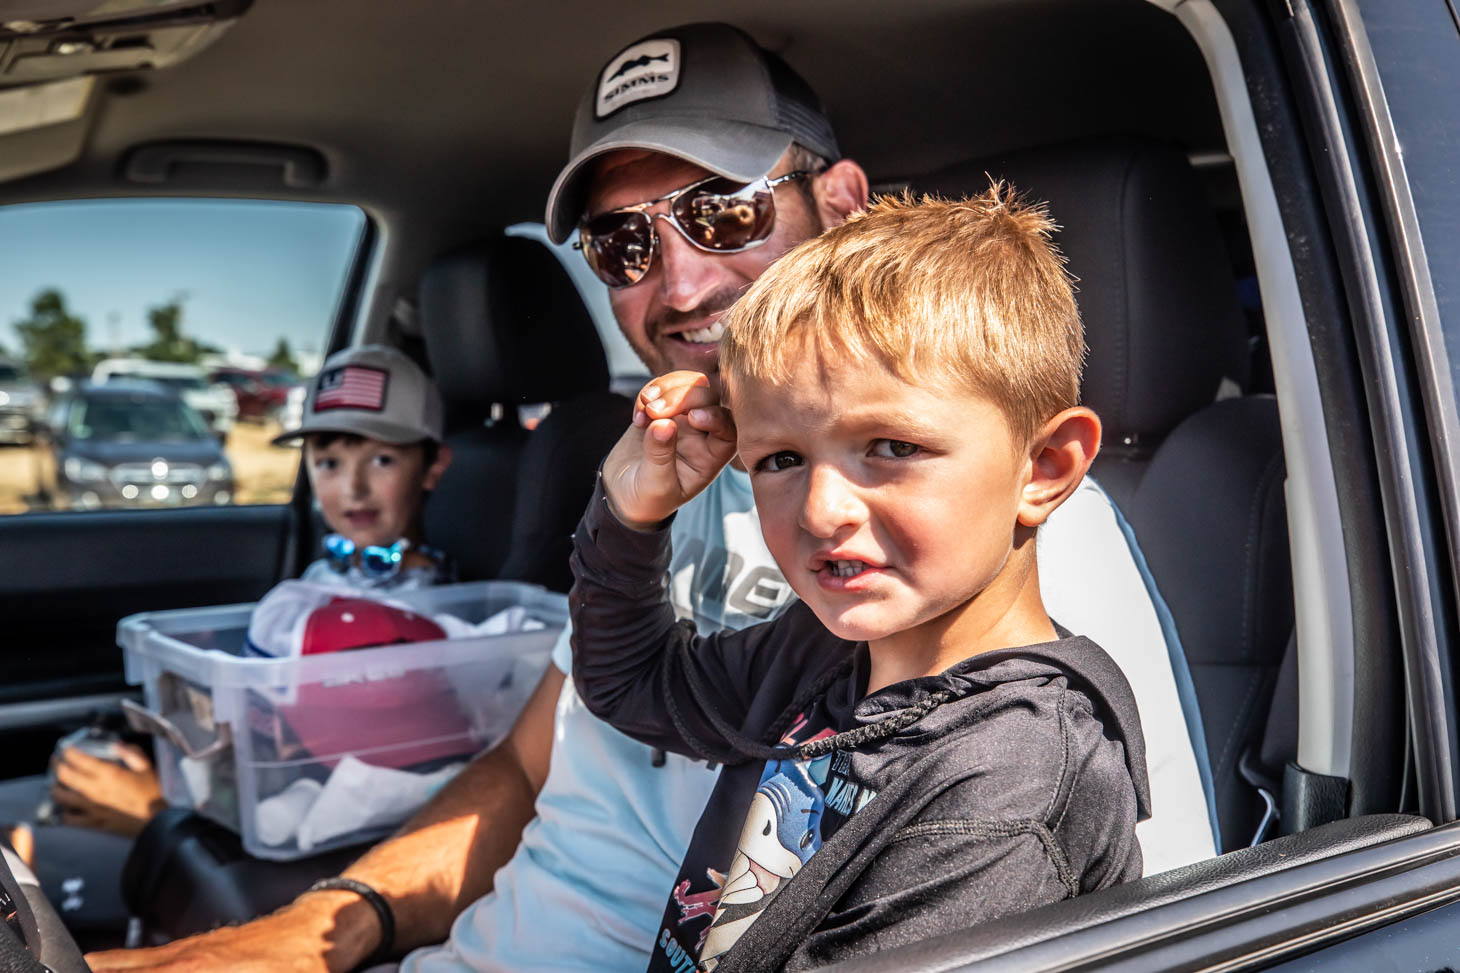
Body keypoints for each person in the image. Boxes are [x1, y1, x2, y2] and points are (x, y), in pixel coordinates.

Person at [87, 22, 1212, 973]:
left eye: (723, 212)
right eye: (622, 243)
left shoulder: (989, 565)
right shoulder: (679, 484)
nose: (680, 282)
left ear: (841, 205)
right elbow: (549, 748)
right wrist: (319, 930)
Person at [574, 188, 1148, 972]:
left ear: (1043, 467)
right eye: (781, 458)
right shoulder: (820, 653)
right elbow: (632, 682)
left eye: (892, 447)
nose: (821, 509)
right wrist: (631, 513)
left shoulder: (1010, 781)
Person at [38, 344, 453, 843]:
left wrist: (159, 809)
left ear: (433, 466)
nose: (353, 488)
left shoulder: (433, 606)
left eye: (382, 460)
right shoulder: (320, 579)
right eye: (328, 462)